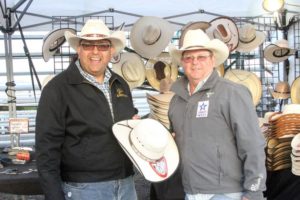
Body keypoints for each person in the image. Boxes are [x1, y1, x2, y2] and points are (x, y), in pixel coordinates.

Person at [35, 19, 139, 200]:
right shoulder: (57, 89)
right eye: (88, 45)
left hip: (126, 184)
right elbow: (46, 150)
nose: (96, 52)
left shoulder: (120, 83)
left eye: (103, 46)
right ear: (79, 49)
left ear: (111, 50)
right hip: (84, 189)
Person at [167, 29, 266, 200]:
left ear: (213, 60)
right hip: (189, 191)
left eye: (201, 57)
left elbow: (252, 144)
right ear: (182, 62)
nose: (195, 62)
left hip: (226, 193)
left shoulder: (232, 93)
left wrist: (254, 191)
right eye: (189, 57)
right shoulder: (176, 100)